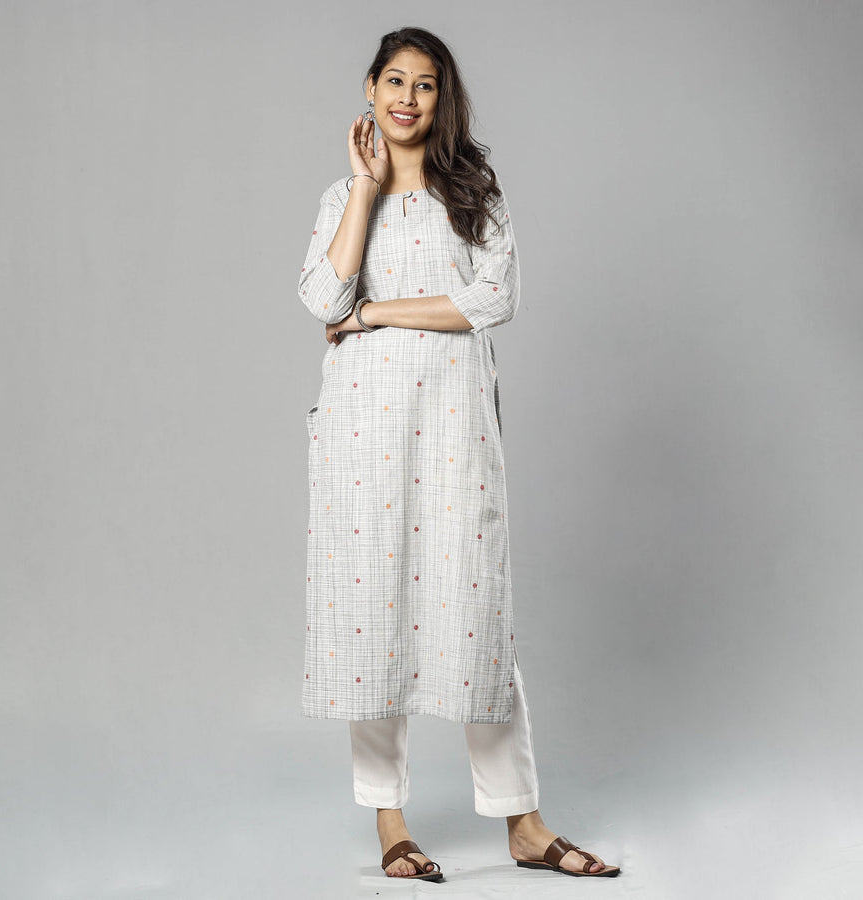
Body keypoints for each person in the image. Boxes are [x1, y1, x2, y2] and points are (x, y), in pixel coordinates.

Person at [298, 26, 620, 881]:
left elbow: (493, 297)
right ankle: (390, 823)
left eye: (426, 84)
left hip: (453, 429)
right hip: (362, 436)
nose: (408, 97)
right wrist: (366, 189)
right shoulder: (342, 197)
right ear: (370, 90)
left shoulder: (472, 191)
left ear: (442, 99)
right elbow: (322, 295)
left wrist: (374, 313)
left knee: (479, 618)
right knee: (370, 617)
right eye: (394, 80)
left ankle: (524, 823)